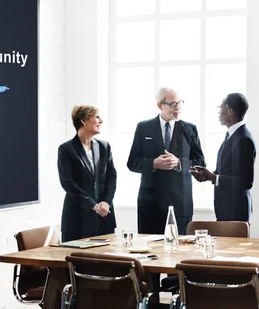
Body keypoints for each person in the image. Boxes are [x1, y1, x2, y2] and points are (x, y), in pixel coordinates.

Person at [127, 87, 206, 236]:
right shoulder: (143, 127)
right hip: (150, 204)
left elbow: (200, 162)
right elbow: (132, 162)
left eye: (180, 103)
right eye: (173, 104)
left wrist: (179, 163)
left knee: (181, 251)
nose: (178, 108)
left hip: (181, 203)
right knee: (150, 254)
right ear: (159, 105)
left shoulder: (189, 129)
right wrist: (153, 164)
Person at [190, 93, 256, 222]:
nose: (219, 112)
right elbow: (228, 172)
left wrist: (214, 177)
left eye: (220, 107)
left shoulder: (243, 139)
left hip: (236, 214)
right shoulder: (231, 135)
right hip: (226, 211)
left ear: (229, 111)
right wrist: (207, 176)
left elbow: (246, 182)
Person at [57, 105, 117, 242]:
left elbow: (112, 177)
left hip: (104, 218)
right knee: (77, 261)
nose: (101, 121)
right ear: (83, 120)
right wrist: (94, 206)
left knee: (106, 261)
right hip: (77, 219)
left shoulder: (104, 147)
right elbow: (68, 183)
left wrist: (106, 202)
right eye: (97, 117)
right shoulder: (66, 149)